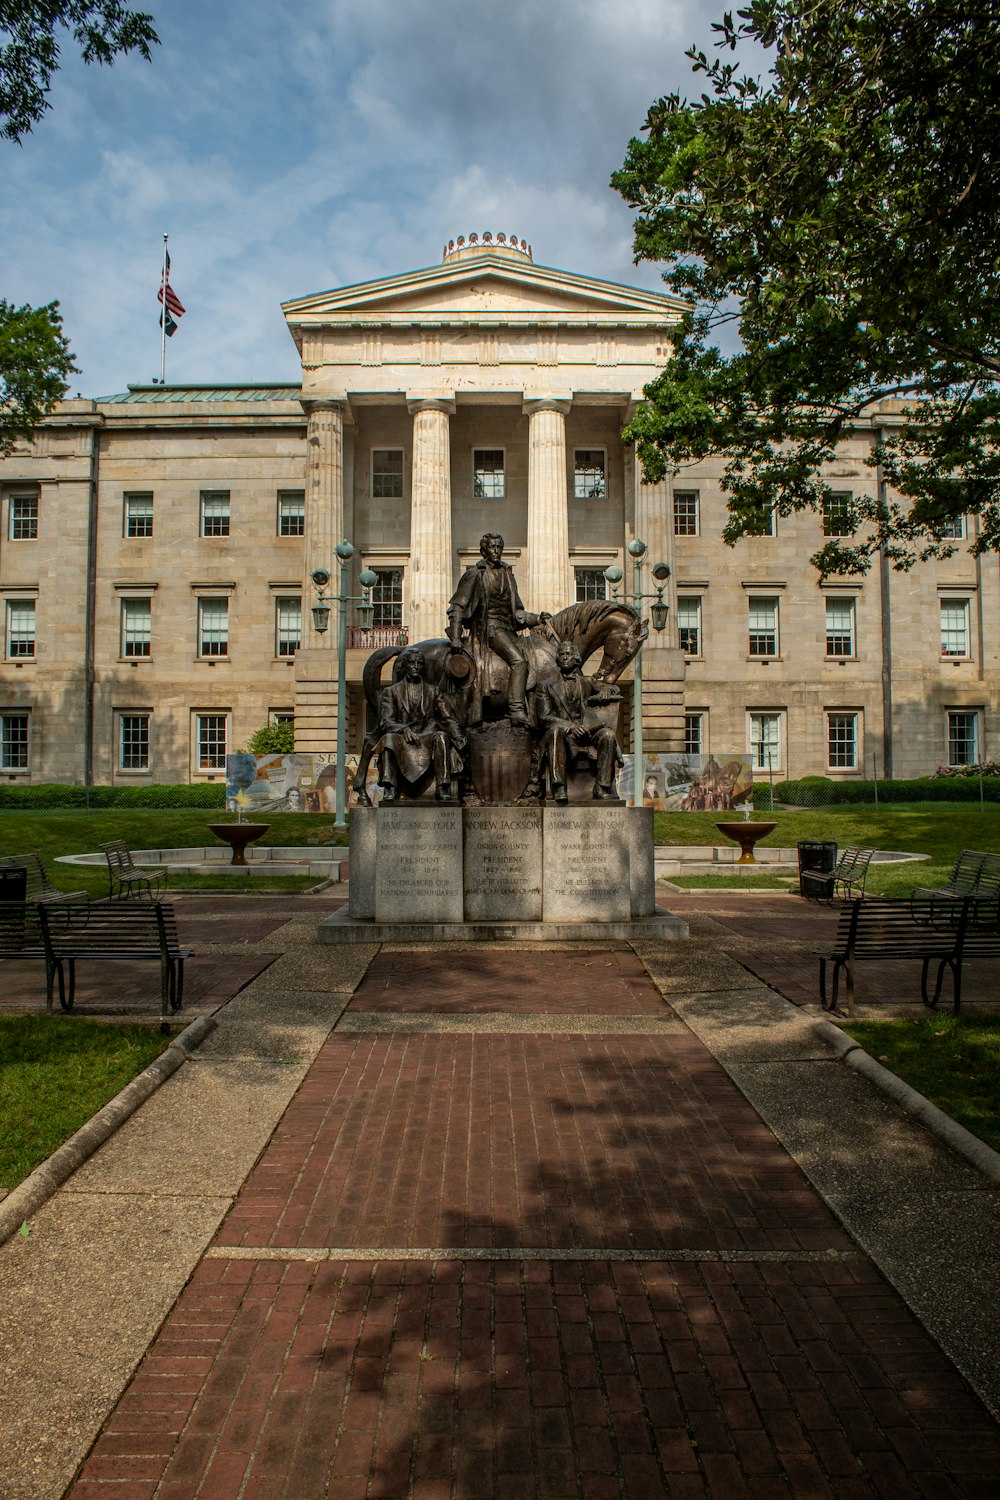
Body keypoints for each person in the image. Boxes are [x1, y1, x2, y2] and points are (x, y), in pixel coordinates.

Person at [446, 532, 550, 728]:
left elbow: (517, 612)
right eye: (492, 547)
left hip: (509, 630)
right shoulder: (474, 575)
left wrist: (537, 618)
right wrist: (456, 637)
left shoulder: (508, 576)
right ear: (484, 550)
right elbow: (458, 606)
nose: (496, 551)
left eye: (499, 547)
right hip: (490, 630)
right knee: (519, 661)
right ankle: (517, 709)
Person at [373, 649, 466, 803]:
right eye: (412, 663)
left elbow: (446, 717)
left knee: (442, 737)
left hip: (427, 735)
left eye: (419, 663)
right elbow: (386, 721)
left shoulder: (433, 690)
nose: (416, 666)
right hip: (403, 736)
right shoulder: (391, 691)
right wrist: (403, 729)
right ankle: (391, 786)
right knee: (388, 739)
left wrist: (457, 735)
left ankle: (442, 786)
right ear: (404, 666)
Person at [535, 641, 622, 803]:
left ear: (577, 658)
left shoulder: (588, 682)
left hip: (588, 733)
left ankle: (602, 786)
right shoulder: (545, 686)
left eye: (568, 654)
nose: (565, 657)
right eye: (562, 654)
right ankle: (558, 786)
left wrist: (605, 692)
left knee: (608, 735)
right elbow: (544, 717)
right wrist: (571, 727)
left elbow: (611, 689)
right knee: (555, 731)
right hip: (563, 734)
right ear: (557, 659)